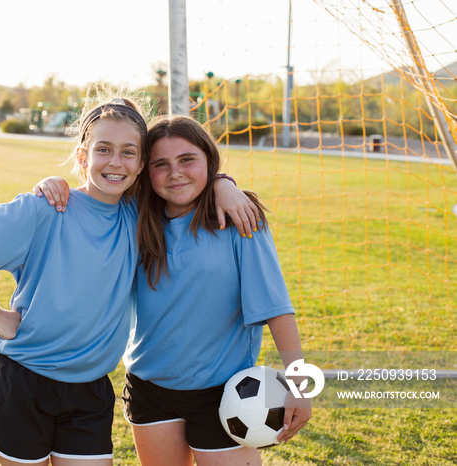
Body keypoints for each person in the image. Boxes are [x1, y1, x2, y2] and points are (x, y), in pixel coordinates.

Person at [0, 94, 254, 465]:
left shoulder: (140, 215)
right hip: (23, 379)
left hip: (89, 390)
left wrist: (222, 182)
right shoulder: (47, 208)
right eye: (103, 150)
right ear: (82, 156)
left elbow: (182, 179)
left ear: (140, 165)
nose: (115, 162)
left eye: (128, 152)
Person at [36, 116, 311, 466]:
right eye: (160, 164)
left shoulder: (238, 218)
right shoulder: (135, 217)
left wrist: (300, 387)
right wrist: (51, 184)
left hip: (226, 394)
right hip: (150, 389)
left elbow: (276, 307)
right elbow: (91, 197)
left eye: (187, 160)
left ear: (209, 160)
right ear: (144, 172)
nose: (175, 173)